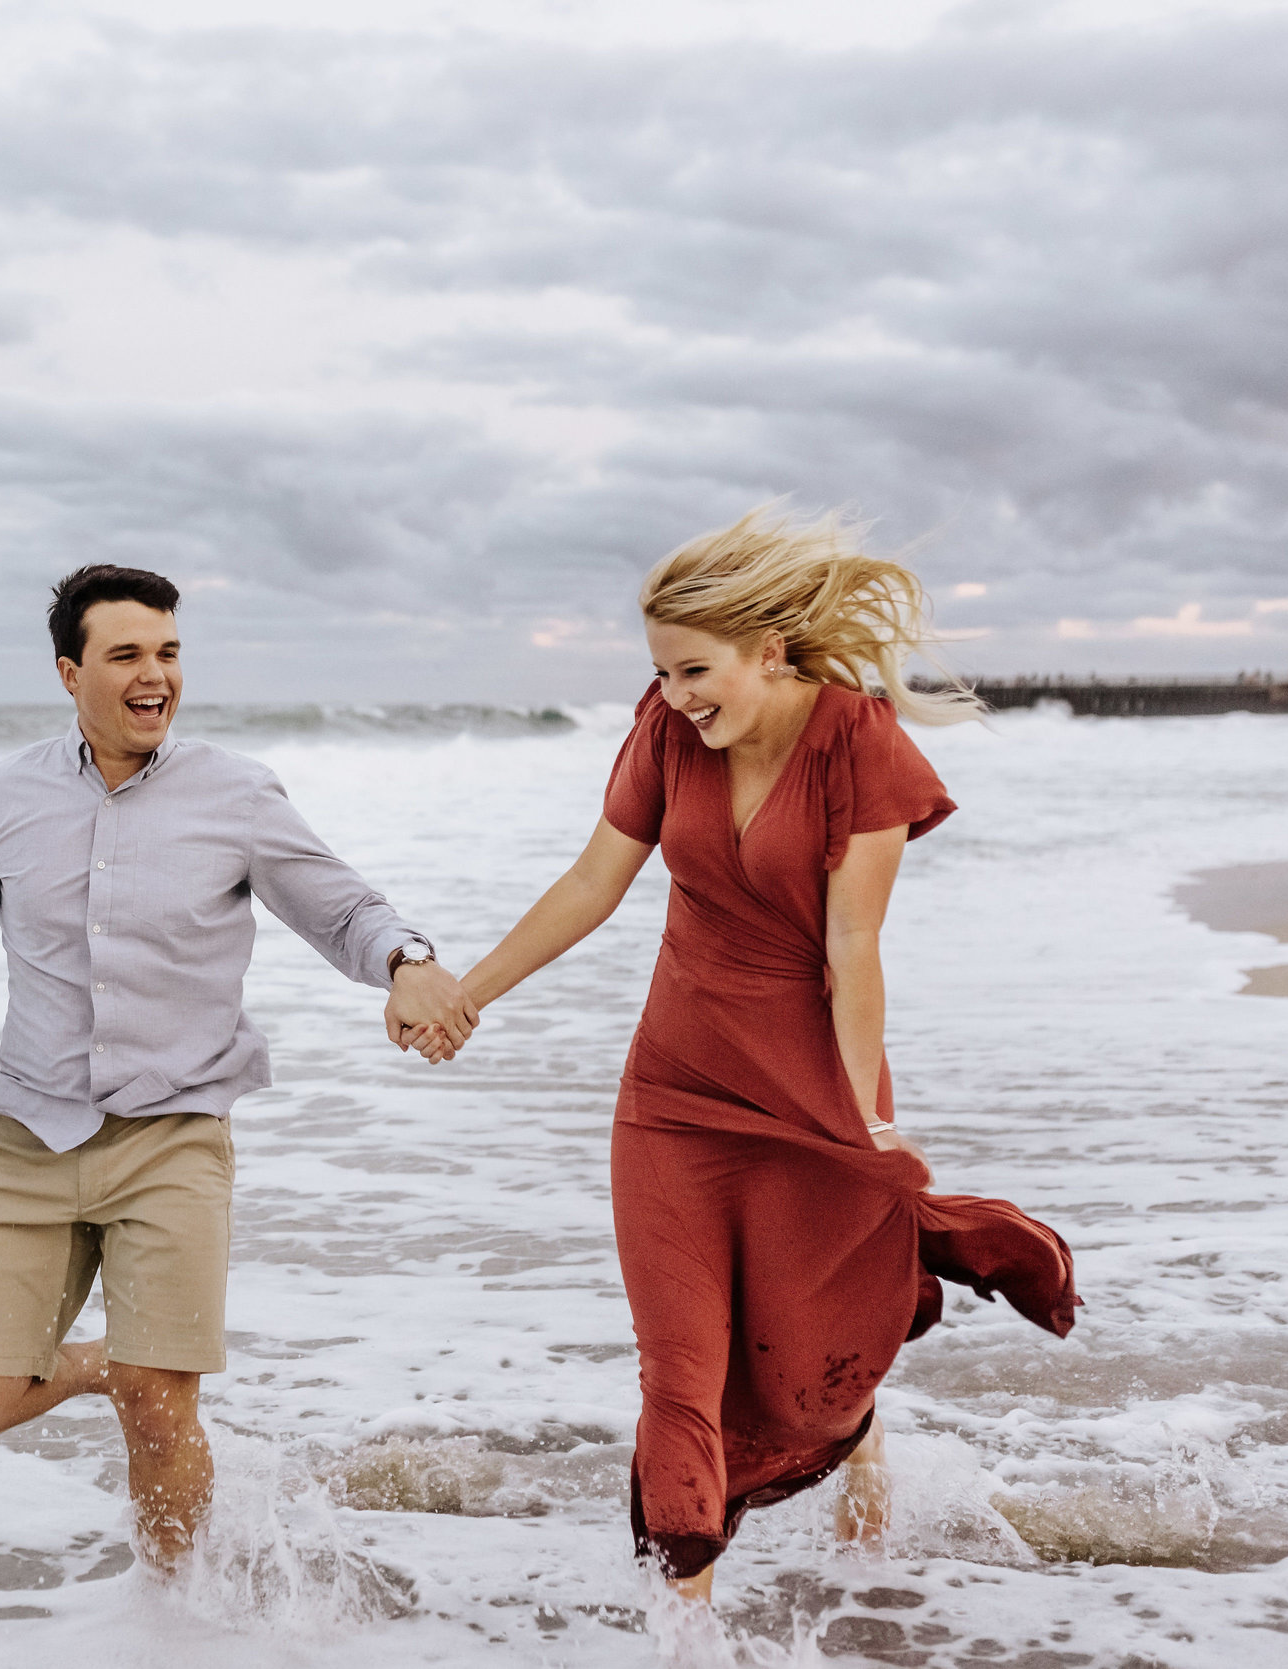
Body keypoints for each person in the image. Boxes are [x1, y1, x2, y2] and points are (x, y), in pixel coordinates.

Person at [433, 506, 1077, 1620]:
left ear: (767, 649)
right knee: (678, 1371)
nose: (676, 696)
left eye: (694, 670)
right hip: (676, 1098)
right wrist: (466, 996)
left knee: (797, 1378)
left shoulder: (857, 743)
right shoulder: (665, 729)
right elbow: (593, 882)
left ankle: (859, 1432)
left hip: (814, 1088)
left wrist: (864, 1122)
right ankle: (688, 1629)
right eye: (661, 672)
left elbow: (850, 948)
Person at [0, 563, 478, 1570]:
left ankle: (174, 1606)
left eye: (169, 653)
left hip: (174, 1135)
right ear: (70, 672)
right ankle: (116, 1364)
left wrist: (407, 964)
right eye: (127, 656)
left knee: (159, 1405)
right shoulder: (2, 797)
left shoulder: (234, 794)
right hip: (28, 1137)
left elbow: (343, 907)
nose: (155, 676)